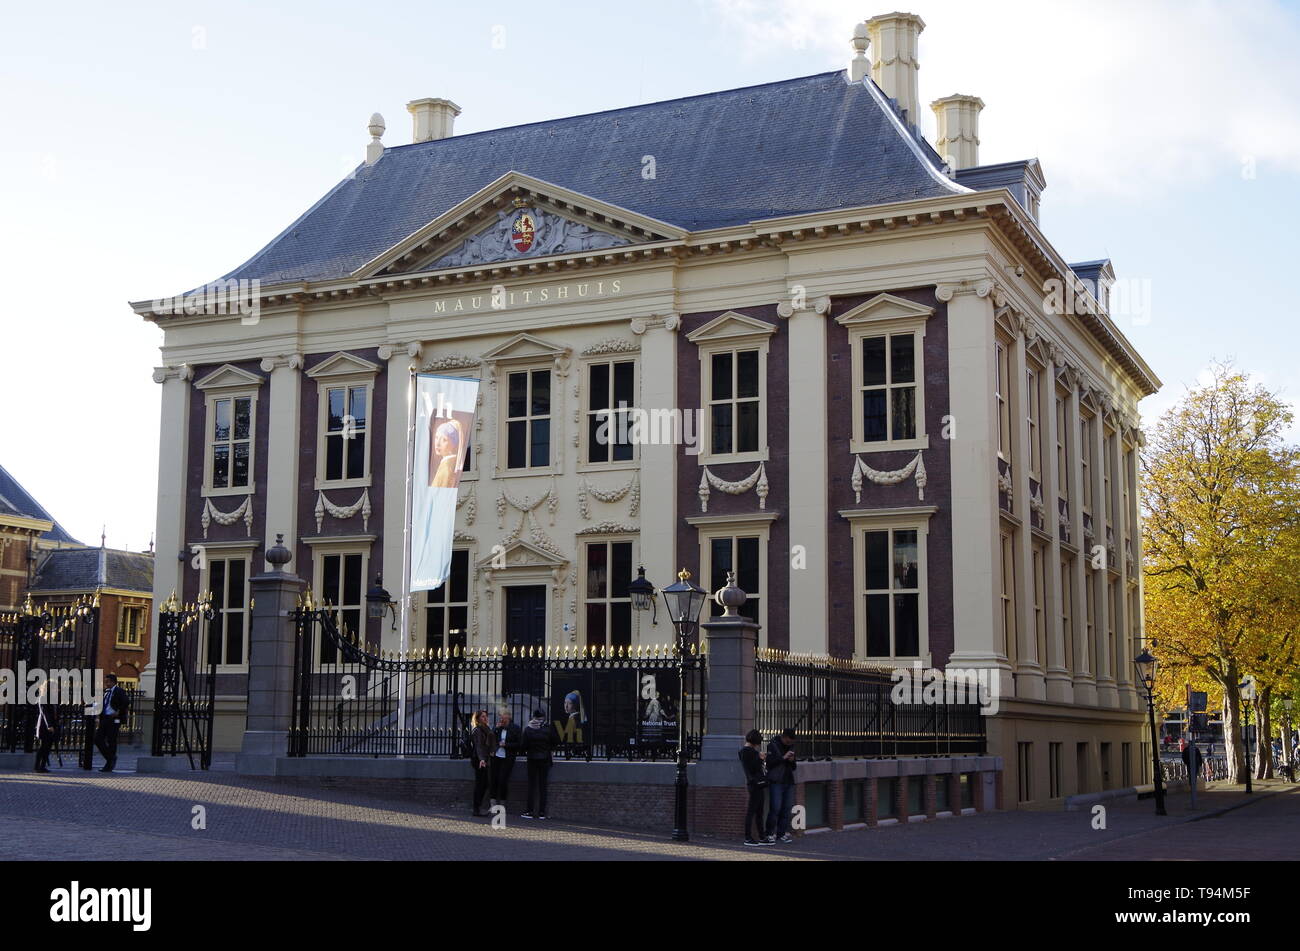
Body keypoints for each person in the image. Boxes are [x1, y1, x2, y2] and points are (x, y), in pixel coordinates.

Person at [520, 709, 560, 819]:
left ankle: (529, 811)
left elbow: (523, 745)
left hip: (532, 758)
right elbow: (556, 740)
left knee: (531, 786)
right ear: (544, 717)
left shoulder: (528, 729)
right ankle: (542, 812)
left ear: (533, 717)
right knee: (543, 786)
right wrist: (550, 749)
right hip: (545, 759)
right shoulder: (548, 728)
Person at [764, 728, 798, 843]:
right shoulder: (773, 745)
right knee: (775, 808)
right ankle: (769, 833)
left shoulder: (792, 746)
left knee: (786, 809)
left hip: (789, 781)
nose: (790, 744)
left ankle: (781, 833)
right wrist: (783, 757)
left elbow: (793, 767)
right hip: (776, 781)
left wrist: (792, 760)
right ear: (783, 737)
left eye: (791, 742)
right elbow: (769, 764)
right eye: (788, 741)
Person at [739, 729, 770, 846]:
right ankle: (748, 837)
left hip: (755, 784)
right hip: (755, 783)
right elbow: (752, 768)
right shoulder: (748, 751)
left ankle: (762, 836)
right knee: (753, 811)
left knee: (759, 811)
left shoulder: (746, 751)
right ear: (755, 742)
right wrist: (760, 758)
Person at [94, 674, 129, 772]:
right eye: (106, 682)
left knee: (111, 740)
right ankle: (111, 758)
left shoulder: (119, 691)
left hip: (114, 719)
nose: (106, 683)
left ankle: (109, 764)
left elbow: (126, 702)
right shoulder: (106, 692)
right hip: (105, 718)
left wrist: (118, 711)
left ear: (113, 682)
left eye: (108, 681)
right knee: (97, 739)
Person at [489, 709, 522, 808]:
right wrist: (495, 729)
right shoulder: (498, 727)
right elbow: (490, 739)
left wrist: (506, 745)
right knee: (493, 779)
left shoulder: (515, 728)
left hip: (508, 758)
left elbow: (519, 744)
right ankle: (492, 802)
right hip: (496, 757)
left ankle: (502, 802)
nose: (501, 718)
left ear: (509, 716)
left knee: (503, 780)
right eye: (500, 716)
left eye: (503, 715)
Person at [469, 710, 496, 816]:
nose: (485, 718)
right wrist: (482, 760)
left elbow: (491, 742)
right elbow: (479, 746)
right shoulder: (478, 730)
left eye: (486, 716)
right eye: (483, 717)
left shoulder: (486, 728)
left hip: (485, 759)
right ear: (478, 718)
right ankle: (476, 809)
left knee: (484, 784)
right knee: (481, 784)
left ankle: (478, 807)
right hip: (479, 760)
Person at [33, 681, 59, 773]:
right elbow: (45, 713)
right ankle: (37, 766)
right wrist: (50, 725)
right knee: (43, 747)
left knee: (47, 747)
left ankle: (42, 766)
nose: (56, 689)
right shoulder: (43, 698)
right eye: (54, 687)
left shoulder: (53, 698)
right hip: (45, 726)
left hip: (52, 726)